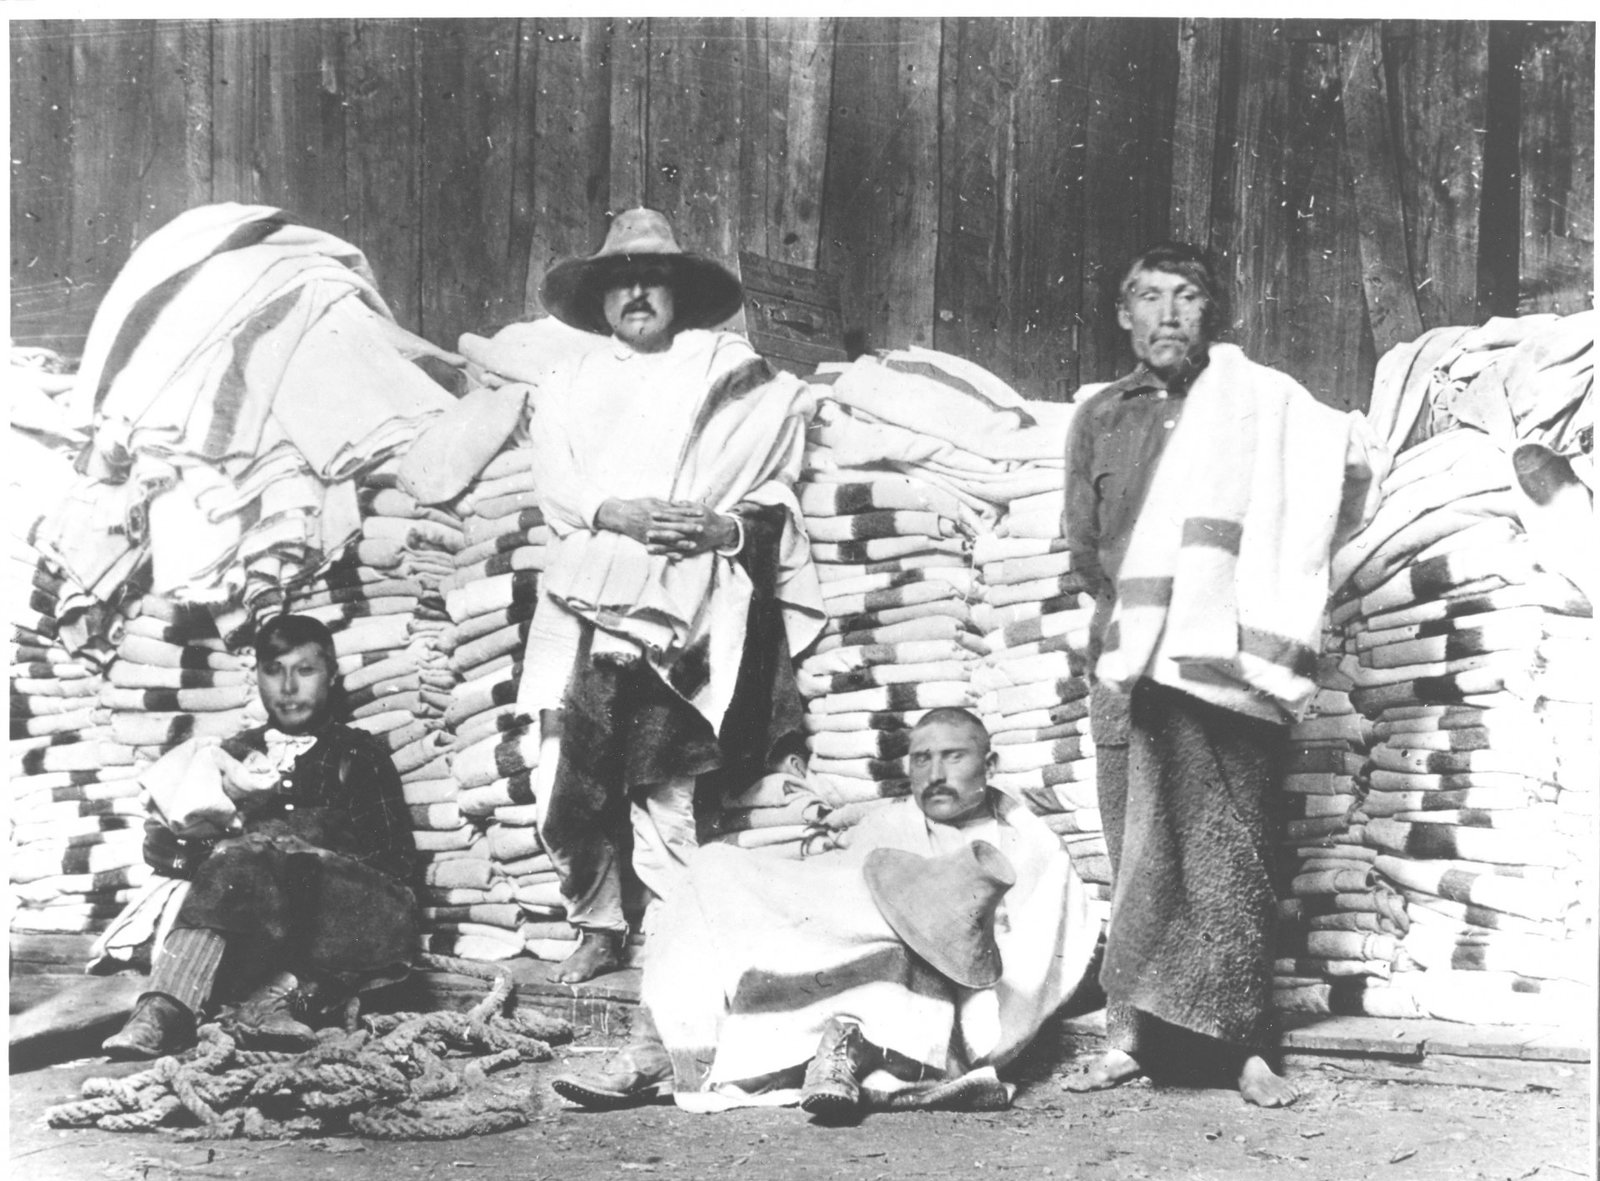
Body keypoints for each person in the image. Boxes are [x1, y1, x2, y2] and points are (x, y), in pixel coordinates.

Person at [1062, 242, 1378, 1107]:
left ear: (1212, 313)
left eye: (1186, 297)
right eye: (1147, 296)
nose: (1167, 314)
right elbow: (1086, 545)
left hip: (1227, 666)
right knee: (1134, 847)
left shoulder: (1257, 405)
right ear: (1123, 316)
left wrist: (1205, 619)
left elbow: (1321, 489)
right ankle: (1126, 1038)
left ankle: (1245, 1048)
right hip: (1130, 663)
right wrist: (1148, 622)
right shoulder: (1100, 417)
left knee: (1234, 852)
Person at [517, 208, 824, 983]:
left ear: (679, 290)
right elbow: (558, 485)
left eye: (653, 276)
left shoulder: (730, 372)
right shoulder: (567, 382)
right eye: (621, 280)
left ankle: (677, 933)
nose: (638, 292)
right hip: (591, 588)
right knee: (570, 769)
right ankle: (595, 925)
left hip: (690, 597)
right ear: (600, 299)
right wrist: (614, 511)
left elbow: (770, 488)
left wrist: (718, 530)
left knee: (666, 772)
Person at [550, 707, 1099, 1122]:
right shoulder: (890, 824)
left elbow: (1036, 953)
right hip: (861, 947)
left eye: (953, 756)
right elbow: (840, 893)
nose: (934, 773)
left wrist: (957, 938)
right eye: (922, 758)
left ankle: (853, 1054)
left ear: (990, 764)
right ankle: (661, 1052)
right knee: (712, 869)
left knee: (903, 933)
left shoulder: (1027, 843)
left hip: (958, 985)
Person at [102, 614, 418, 1058]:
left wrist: (312, 855)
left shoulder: (359, 755)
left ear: (332, 676)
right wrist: (208, 842)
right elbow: (171, 850)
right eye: (274, 670)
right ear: (257, 677)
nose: (288, 687)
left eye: (305, 671)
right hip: (254, 931)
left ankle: (275, 1003)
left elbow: (398, 861)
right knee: (233, 865)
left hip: (330, 931)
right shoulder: (231, 755)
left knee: (387, 900)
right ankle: (165, 1008)